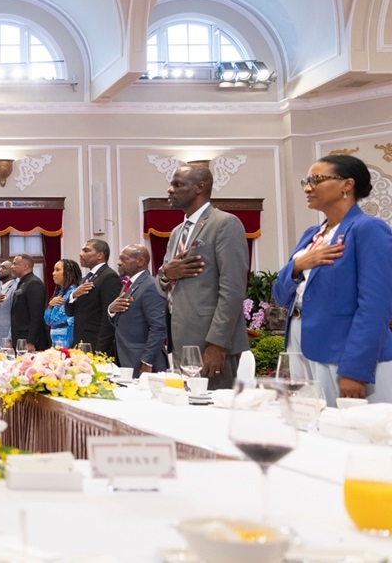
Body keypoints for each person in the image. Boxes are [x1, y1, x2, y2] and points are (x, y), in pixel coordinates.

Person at [273, 154, 392, 405]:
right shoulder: (312, 234)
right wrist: (297, 266)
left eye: (317, 179)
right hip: (301, 342)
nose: (308, 187)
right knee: (312, 426)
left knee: (356, 434)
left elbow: (375, 307)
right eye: (307, 181)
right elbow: (280, 296)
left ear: (347, 185)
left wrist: (356, 369)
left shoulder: (367, 229)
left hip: (344, 352)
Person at [156, 164, 248, 389]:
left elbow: (233, 289)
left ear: (200, 187)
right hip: (180, 339)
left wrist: (217, 344)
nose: (170, 190)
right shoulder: (177, 232)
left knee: (214, 414)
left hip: (210, 342)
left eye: (177, 185)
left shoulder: (224, 223)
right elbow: (161, 282)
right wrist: (167, 274)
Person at [108, 245, 167, 373]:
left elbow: (158, 327)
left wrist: (147, 362)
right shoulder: (129, 285)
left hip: (142, 361)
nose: (118, 263)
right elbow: (123, 321)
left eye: (124, 259)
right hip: (125, 357)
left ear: (140, 261)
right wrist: (111, 311)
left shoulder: (151, 285)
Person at [65, 239, 122, 357]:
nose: (81, 254)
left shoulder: (109, 277)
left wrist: (100, 351)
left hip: (96, 344)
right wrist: (73, 295)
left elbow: (109, 318)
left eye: (86, 250)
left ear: (100, 255)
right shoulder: (86, 278)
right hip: (81, 342)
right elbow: (70, 312)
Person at [10, 254, 48, 351]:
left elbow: (36, 315)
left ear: (25, 266)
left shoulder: (34, 284)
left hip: (28, 338)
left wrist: (31, 341)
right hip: (19, 336)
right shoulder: (23, 283)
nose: (12, 266)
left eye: (15, 264)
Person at [44, 259, 81, 348]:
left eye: (57, 270)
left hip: (67, 342)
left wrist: (66, 346)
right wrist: (50, 305)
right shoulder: (59, 294)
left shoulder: (74, 294)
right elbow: (48, 321)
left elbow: (72, 322)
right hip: (54, 342)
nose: (53, 273)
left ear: (69, 273)